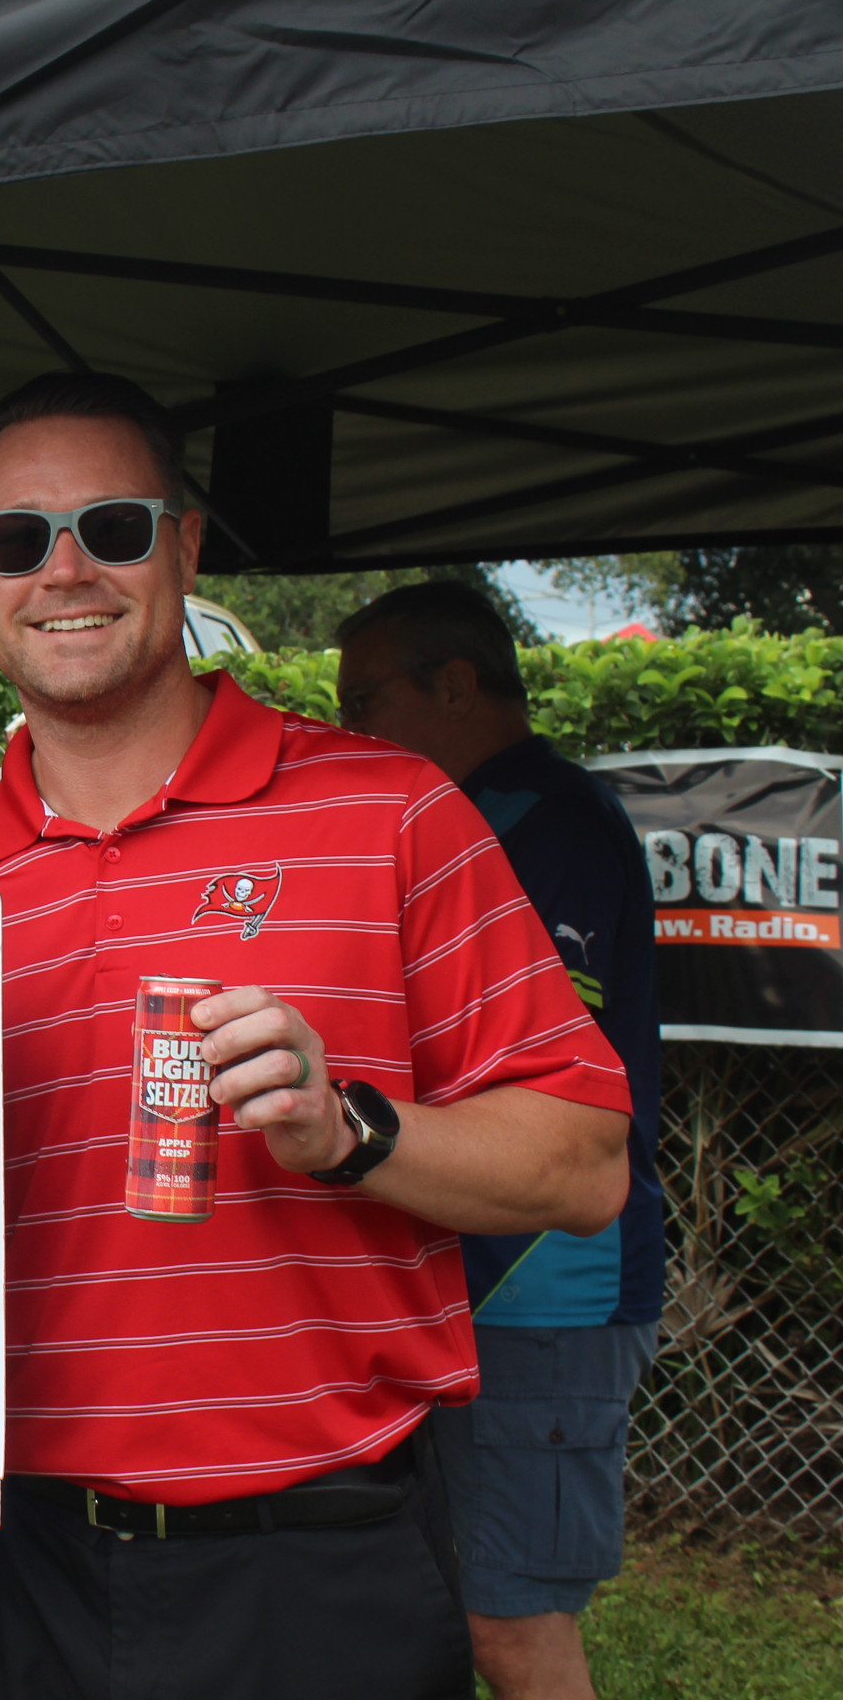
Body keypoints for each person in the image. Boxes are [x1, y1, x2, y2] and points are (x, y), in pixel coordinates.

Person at [0, 371, 633, 1700]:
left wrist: (349, 1130)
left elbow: (584, 1165)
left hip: (307, 1576)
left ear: (184, 543)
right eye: (16, 540)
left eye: (112, 526)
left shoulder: (390, 812)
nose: (64, 569)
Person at [336, 582, 664, 1700]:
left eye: (367, 700)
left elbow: (531, 1053)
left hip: (541, 1288)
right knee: (428, 1605)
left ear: (458, 684)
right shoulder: (462, 814)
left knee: (512, 1630)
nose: (351, 731)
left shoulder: (546, 820)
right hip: (451, 1275)